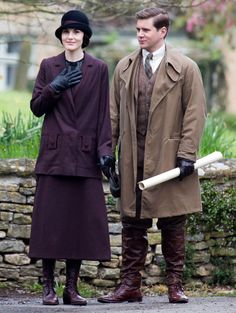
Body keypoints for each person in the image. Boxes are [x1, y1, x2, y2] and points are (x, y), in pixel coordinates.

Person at [98, 7, 206, 304]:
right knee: (132, 225)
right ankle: (130, 285)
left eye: (145, 30)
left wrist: (186, 154)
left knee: (173, 223)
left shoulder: (186, 68)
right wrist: (107, 151)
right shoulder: (124, 67)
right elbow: (112, 114)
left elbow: (195, 115)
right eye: (138, 30)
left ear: (163, 31)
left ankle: (175, 286)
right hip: (134, 156)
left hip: (171, 159)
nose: (139, 35)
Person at [29, 10, 115, 306]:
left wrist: (106, 153)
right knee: (50, 224)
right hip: (54, 156)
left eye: (77, 32)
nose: (71, 36)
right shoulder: (48, 66)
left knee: (78, 224)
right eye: (66, 32)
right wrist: (55, 86)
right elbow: (37, 107)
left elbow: (104, 114)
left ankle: (72, 288)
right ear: (61, 36)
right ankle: (48, 287)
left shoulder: (100, 68)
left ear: (85, 37)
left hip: (85, 156)